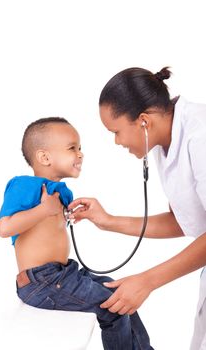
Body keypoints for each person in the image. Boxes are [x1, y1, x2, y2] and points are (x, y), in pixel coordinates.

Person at [68, 67, 206, 350]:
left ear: (143, 121)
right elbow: (185, 221)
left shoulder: (200, 136)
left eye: (116, 132)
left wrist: (147, 281)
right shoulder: (162, 141)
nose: (117, 142)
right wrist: (107, 221)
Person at [0, 116, 154, 350]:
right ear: (44, 157)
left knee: (119, 291)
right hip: (42, 281)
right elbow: (4, 227)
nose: (80, 154)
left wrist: (66, 214)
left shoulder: (59, 193)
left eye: (80, 148)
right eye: (72, 148)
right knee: (114, 307)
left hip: (62, 274)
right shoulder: (23, 185)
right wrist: (43, 210)